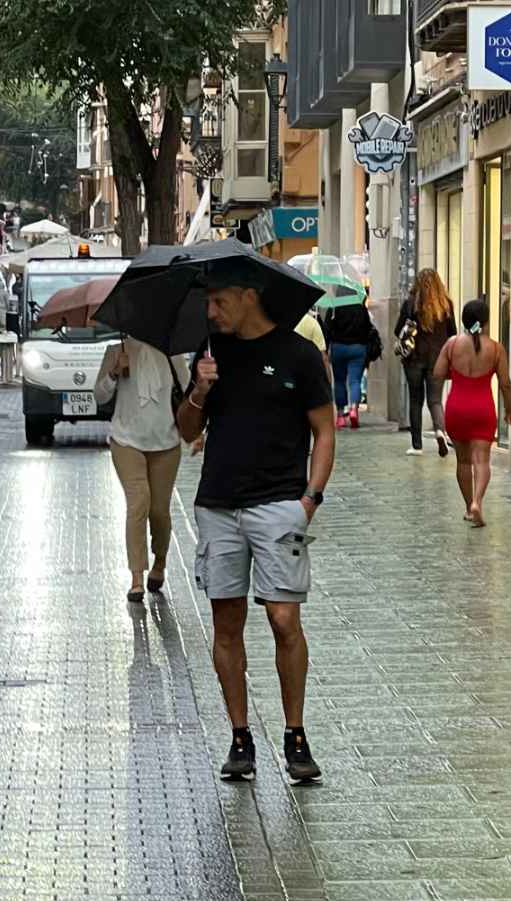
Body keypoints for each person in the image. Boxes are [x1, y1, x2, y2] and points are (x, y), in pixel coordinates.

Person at [175, 263, 335, 786]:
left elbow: (324, 431)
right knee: (227, 625)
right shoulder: (210, 357)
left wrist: (309, 499)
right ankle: (240, 737)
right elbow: (186, 430)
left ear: (248, 296)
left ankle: (295, 734)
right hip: (219, 505)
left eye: (219, 301)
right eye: (208, 304)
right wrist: (199, 390)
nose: (211, 311)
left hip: (279, 506)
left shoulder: (299, 355)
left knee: (285, 620)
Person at [96, 336, 191, 603]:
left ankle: (160, 561)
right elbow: (100, 395)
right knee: (139, 502)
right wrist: (114, 372)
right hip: (125, 440)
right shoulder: (117, 350)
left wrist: (197, 431)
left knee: (159, 510)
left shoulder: (172, 352)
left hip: (166, 443)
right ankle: (137, 576)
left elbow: (188, 393)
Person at [434, 299, 511, 528]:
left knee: (463, 461)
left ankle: (468, 505)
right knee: (482, 460)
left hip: (457, 407)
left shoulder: (452, 344)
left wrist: (456, 372)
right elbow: (506, 384)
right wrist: (510, 410)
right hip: (483, 409)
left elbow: (438, 373)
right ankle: (478, 502)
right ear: (487, 321)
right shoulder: (496, 349)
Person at [396, 268, 456, 457]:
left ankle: (417, 445)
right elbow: (452, 333)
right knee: (435, 400)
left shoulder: (410, 304)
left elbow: (398, 329)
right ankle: (440, 431)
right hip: (437, 360)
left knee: (415, 400)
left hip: (413, 359)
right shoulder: (446, 305)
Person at [323, 299, 380, 429]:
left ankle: (340, 416)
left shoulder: (334, 307)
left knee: (339, 381)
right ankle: (354, 409)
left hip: (338, 347)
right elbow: (368, 327)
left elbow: (327, 328)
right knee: (355, 381)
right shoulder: (360, 308)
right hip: (358, 348)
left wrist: (326, 349)